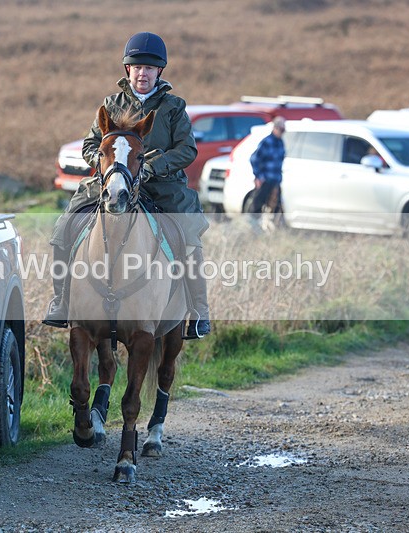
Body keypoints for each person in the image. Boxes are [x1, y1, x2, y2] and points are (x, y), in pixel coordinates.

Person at [43, 31, 211, 338]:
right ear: (127, 70)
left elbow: (187, 150)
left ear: (159, 71)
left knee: (188, 238)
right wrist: (108, 164)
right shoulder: (111, 104)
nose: (142, 73)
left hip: (160, 186)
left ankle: (199, 311)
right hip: (114, 181)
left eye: (149, 68)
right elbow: (90, 145)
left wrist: (151, 166)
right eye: (137, 67)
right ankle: (61, 301)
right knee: (62, 229)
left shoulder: (174, 107)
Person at [249, 116, 286, 233]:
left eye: (284, 130)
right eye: (281, 129)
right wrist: (258, 176)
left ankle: (271, 230)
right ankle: (253, 229)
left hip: (276, 180)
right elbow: (254, 159)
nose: (282, 132)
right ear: (275, 128)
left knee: (276, 207)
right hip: (265, 180)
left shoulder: (281, 143)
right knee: (257, 206)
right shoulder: (266, 142)